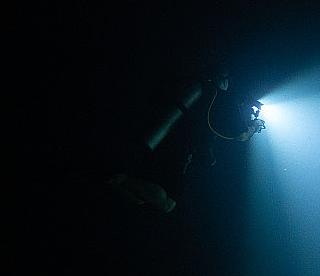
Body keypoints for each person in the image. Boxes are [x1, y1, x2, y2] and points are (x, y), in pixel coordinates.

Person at [107, 65, 263, 212]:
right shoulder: (223, 98)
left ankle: (116, 178)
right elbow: (241, 135)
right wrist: (256, 125)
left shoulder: (200, 91)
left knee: (142, 196)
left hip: (163, 137)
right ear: (225, 80)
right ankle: (115, 178)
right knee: (168, 202)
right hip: (178, 148)